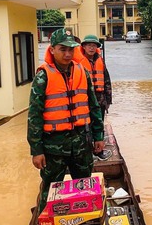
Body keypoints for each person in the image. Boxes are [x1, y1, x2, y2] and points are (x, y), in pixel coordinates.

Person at [27, 28, 105, 213]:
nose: (68, 53)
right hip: (54, 145)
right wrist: (36, 150)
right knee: (51, 188)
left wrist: (99, 136)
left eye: (71, 49)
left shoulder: (83, 73)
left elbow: (93, 107)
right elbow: (34, 116)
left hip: (81, 142)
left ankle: (86, 221)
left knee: (84, 187)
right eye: (63, 49)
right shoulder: (43, 77)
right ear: (52, 49)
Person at [73, 34, 113, 161]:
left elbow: (107, 80)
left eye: (94, 45)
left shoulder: (100, 60)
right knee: (84, 127)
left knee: (98, 124)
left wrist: (108, 100)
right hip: (83, 100)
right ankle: (86, 153)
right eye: (89, 45)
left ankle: (99, 150)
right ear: (83, 46)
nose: (91, 48)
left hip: (99, 99)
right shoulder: (77, 62)